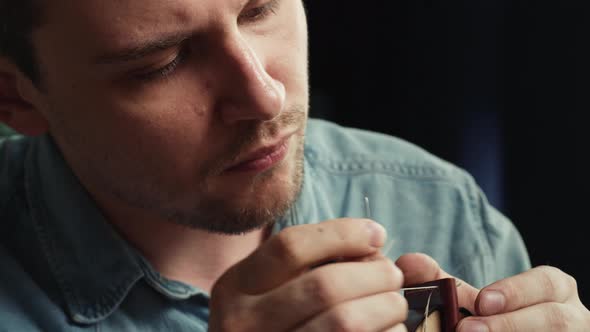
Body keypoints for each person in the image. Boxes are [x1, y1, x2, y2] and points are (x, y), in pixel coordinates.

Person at [0, 0, 588, 331]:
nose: (264, 97)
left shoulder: (441, 204)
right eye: (161, 64)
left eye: (260, 10)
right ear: (18, 97)